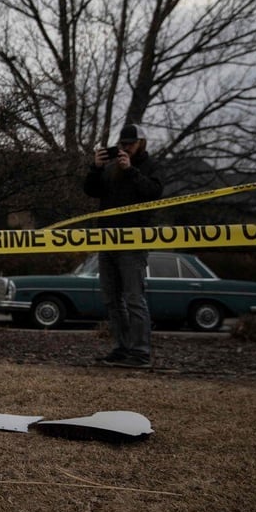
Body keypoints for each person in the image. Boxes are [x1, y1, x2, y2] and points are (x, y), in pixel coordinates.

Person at [83, 124, 163, 368]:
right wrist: (95, 168)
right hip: (107, 239)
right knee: (111, 299)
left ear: (141, 143)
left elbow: (153, 193)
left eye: (129, 144)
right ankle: (122, 347)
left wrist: (131, 171)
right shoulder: (110, 167)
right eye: (122, 144)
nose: (124, 148)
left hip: (133, 240)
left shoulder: (150, 166)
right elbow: (91, 190)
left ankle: (140, 352)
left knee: (134, 298)